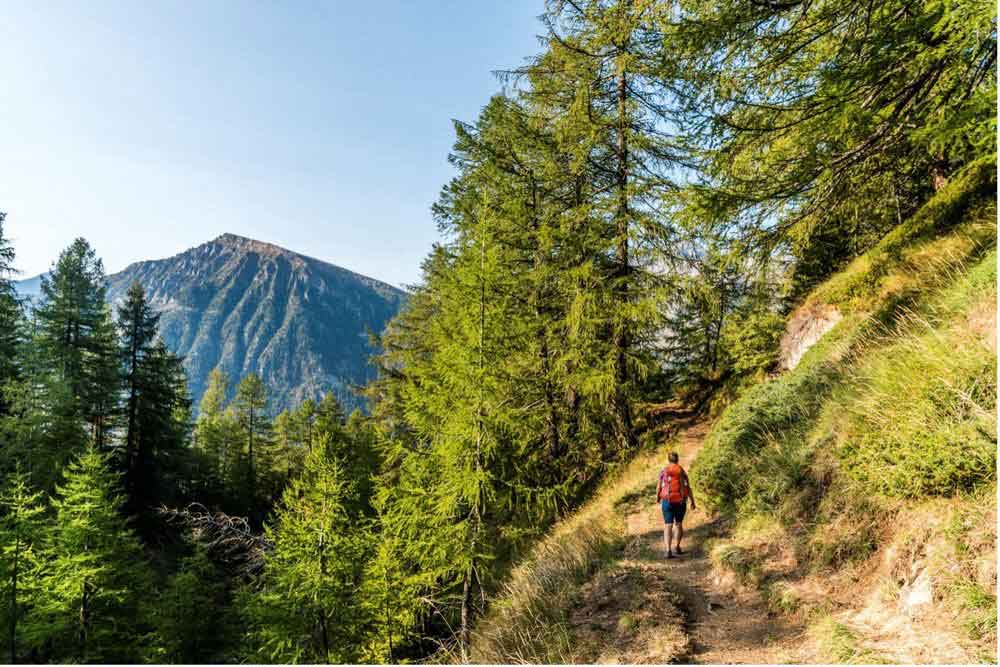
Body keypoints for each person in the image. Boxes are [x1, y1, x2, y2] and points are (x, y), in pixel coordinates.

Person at [656, 452, 696, 558]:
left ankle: (668, 550)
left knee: (668, 525)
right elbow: (688, 487)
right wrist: (692, 501)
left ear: (668, 460)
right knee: (678, 524)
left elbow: (659, 486)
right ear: (677, 460)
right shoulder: (681, 471)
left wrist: (658, 498)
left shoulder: (663, 471)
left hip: (667, 501)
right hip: (680, 501)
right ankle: (677, 547)